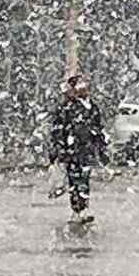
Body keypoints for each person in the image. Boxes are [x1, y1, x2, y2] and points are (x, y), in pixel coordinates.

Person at [48, 74, 107, 221]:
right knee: (74, 180)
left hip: (85, 149)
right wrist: (58, 149)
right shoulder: (66, 107)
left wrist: (100, 147)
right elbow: (58, 129)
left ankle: (82, 208)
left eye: (86, 86)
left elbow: (97, 127)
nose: (85, 89)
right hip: (71, 149)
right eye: (81, 86)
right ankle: (77, 209)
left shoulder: (92, 106)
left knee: (84, 178)